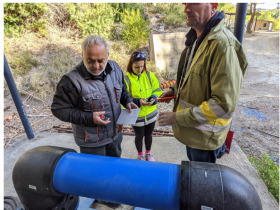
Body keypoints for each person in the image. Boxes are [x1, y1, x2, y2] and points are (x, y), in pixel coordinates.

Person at [51, 35, 138, 209]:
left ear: (108, 55)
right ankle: (103, 197)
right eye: (90, 61)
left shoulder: (114, 68)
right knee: (97, 174)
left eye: (101, 60)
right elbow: (59, 109)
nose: (96, 66)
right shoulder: (71, 81)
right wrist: (89, 118)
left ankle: (111, 190)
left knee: (114, 166)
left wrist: (127, 100)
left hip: (115, 134)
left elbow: (122, 90)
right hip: (92, 141)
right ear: (82, 55)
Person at [158, 3, 248, 163]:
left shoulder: (222, 45)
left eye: (194, 3)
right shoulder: (198, 38)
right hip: (194, 134)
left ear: (213, 6)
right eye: (185, 3)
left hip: (205, 141)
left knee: (201, 185)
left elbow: (223, 105)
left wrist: (177, 118)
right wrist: (174, 88)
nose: (186, 8)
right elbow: (191, 75)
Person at [124, 51, 163, 161]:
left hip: (150, 112)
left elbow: (158, 90)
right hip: (137, 115)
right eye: (137, 67)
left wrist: (153, 98)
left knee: (149, 135)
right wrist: (137, 101)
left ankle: (148, 153)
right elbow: (124, 98)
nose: (140, 69)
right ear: (131, 65)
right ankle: (140, 154)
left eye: (142, 66)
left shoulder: (150, 75)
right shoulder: (126, 79)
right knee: (139, 136)